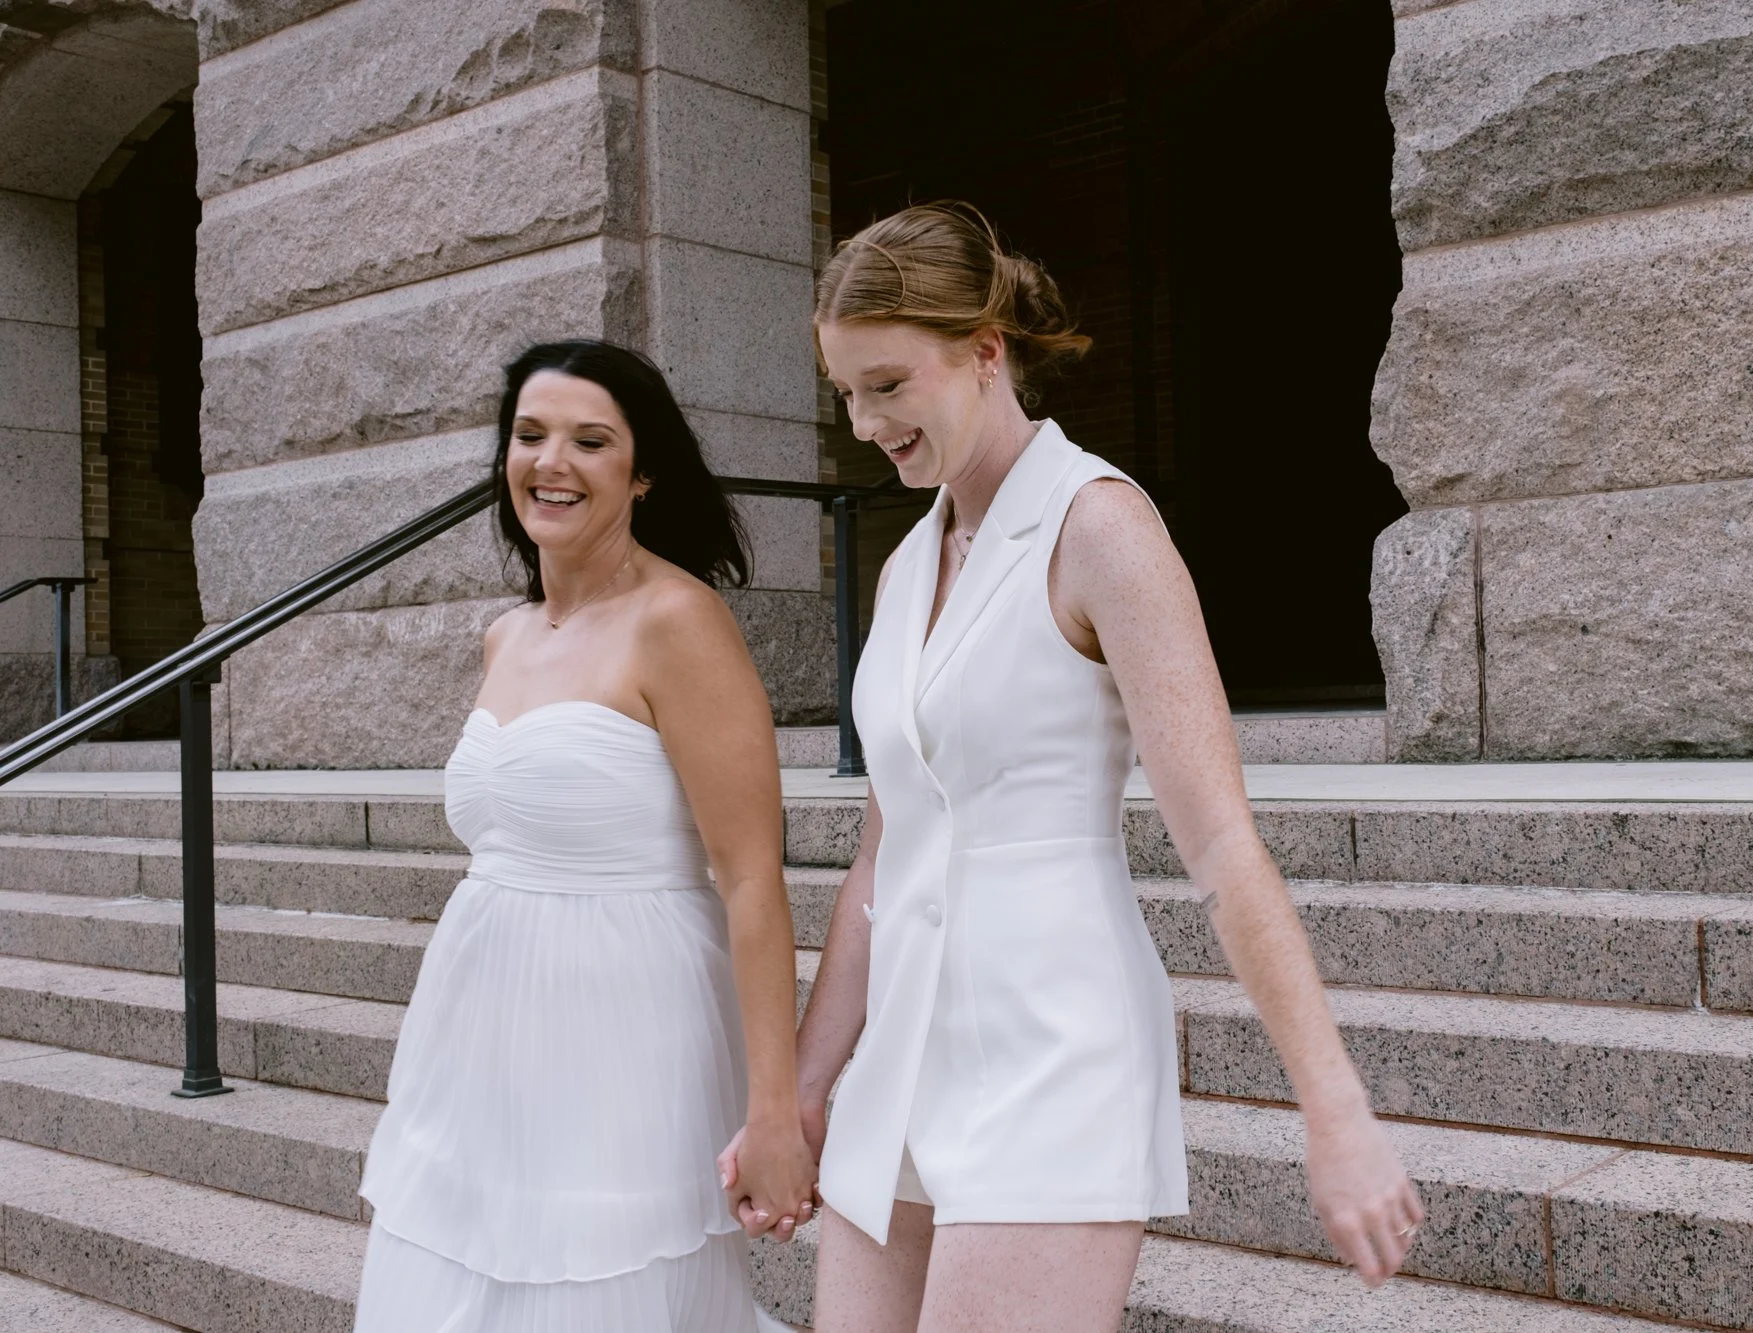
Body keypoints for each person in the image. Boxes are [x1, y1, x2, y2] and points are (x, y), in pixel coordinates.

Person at [723, 203, 1425, 1331]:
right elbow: (879, 861)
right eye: (845, 392)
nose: (862, 422)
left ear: (986, 353)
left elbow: (1219, 844)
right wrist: (801, 1091)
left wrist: (1332, 1109)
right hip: (898, 1065)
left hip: (1054, 1047)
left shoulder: (1099, 526)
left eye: (888, 385)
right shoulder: (905, 566)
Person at [352, 340, 814, 1332]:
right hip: (477, 1027)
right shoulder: (505, 635)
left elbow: (750, 879)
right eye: (529, 435)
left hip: (629, 1028)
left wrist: (774, 1109)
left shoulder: (678, 621)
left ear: (642, 472)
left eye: (589, 440)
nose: (550, 461)